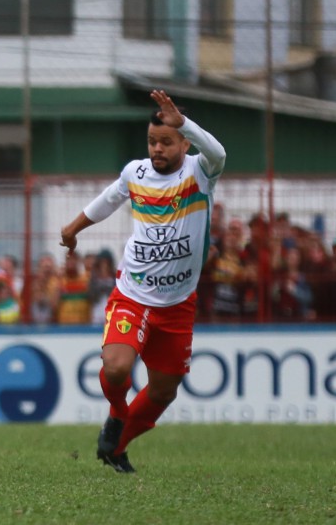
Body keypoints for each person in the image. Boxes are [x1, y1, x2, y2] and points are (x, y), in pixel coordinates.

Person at [60, 89, 226, 474]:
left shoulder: (200, 172)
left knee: (164, 390)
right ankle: (117, 415)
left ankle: (117, 447)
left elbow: (218, 152)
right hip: (133, 294)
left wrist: (182, 121)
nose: (157, 149)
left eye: (166, 141)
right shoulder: (135, 173)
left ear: (185, 142)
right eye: (152, 141)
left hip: (179, 302)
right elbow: (108, 199)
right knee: (117, 368)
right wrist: (72, 228)